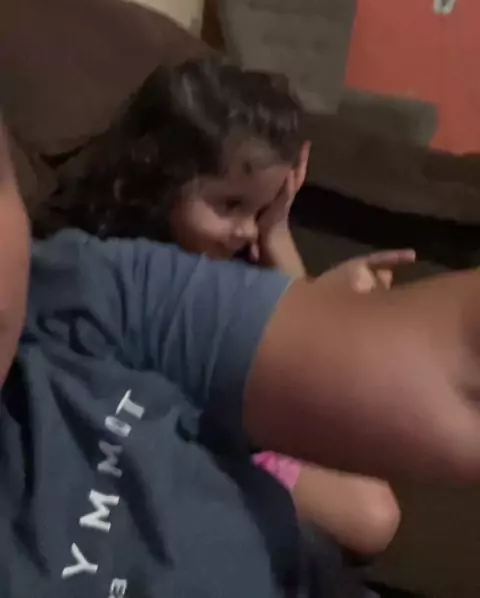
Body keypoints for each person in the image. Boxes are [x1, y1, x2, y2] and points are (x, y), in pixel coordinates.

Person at [5, 110, 480, 597]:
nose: (245, 232)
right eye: (230, 205)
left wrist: (311, 290)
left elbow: (450, 361)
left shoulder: (80, 290)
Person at [36, 57, 407, 558]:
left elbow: (310, 367)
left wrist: (277, 234)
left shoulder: (219, 250)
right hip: (173, 436)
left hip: (229, 419)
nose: (246, 230)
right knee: (371, 515)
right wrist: (319, 306)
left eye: (260, 209)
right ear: (159, 177)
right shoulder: (113, 272)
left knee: (369, 478)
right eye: (230, 205)